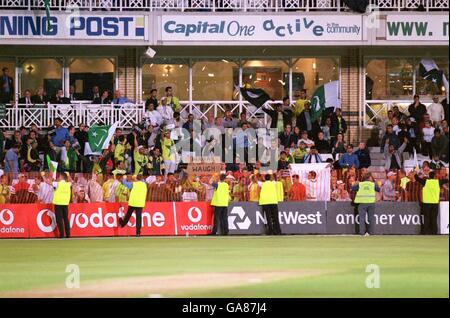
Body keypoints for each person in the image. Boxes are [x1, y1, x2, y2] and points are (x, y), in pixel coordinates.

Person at [414, 169, 449, 235]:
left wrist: (415, 172)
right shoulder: (438, 182)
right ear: (435, 176)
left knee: (426, 218)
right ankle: (434, 232)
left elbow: (417, 178)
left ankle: (426, 232)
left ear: (429, 176)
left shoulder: (425, 181)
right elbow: (447, 180)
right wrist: (447, 173)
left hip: (426, 203)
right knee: (434, 218)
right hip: (435, 203)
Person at [52, 172, 72, 239]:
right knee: (66, 219)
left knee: (59, 220)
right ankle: (68, 234)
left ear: (60, 177)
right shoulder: (68, 184)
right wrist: (68, 175)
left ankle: (62, 235)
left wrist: (43, 175)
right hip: (65, 204)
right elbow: (70, 180)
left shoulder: (57, 184)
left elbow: (47, 182)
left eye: (59, 176)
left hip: (58, 203)